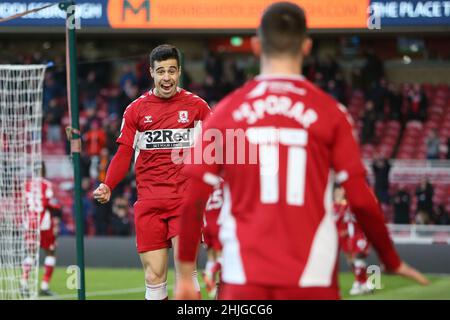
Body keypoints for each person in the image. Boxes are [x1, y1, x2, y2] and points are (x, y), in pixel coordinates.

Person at [175, 2, 429, 300]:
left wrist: (184, 274)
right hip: (313, 279)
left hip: (243, 278)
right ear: (306, 47)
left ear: (256, 46)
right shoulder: (332, 113)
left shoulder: (225, 113)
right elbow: (360, 199)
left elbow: (193, 199)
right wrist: (390, 259)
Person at [93, 44, 211, 300]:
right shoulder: (135, 110)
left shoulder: (198, 107)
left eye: (171, 71)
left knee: (186, 272)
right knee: (153, 277)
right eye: (160, 71)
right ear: (151, 73)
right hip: (149, 202)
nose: (166, 77)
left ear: (179, 72)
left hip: (185, 202)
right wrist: (108, 185)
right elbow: (124, 153)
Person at [21, 162, 62, 297]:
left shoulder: (27, 185)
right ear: (44, 170)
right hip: (44, 223)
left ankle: (24, 283)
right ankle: (44, 286)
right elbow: (48, 203)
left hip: (30, 223)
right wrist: (58, 208)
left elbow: (24, 204)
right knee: (50, 252)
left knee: (31, 254)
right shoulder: (46, 184)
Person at [333, 186, 372, 296]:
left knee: (358, 258)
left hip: (360, 235)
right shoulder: (344, 206)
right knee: (352, 262)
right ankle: (364, 283)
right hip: (349, 237)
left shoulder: (359, 204)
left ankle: (357, 284)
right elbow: (338, 219)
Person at [202, 181, 224, 298]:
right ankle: (210, 274)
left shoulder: (206, 180)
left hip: (207, 222)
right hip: (218, 222)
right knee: (223, 261)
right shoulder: (224, 180)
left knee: (212, 258)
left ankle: (210, 273)